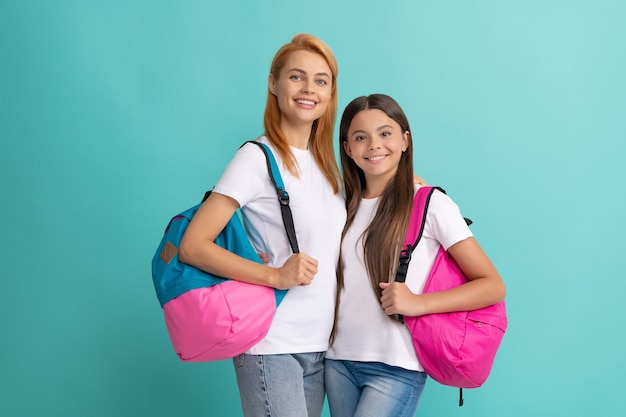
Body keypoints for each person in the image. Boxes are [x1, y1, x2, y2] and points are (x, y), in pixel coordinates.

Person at [179, 34, 346, 417]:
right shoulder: (258, 158)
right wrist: (274, 275)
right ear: (274, 83)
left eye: (321, 80)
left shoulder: (329, 166)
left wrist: (406, 182)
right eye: (296, 77)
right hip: (272, 344)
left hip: (322, 345)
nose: (309, 89)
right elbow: (193, 245)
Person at [324, 94, 506, 417]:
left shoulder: (430, 204)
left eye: (385, 133)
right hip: (338, 361)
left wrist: (418, 303)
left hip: (395, 366)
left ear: (405, 140)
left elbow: (492, 285)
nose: (374, 145)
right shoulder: (341, 206)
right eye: (360, 137)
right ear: (348, 148)